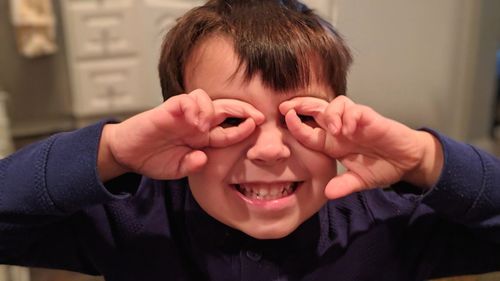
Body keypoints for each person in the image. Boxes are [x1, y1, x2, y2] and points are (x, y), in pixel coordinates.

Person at [1, 0, 500, 280]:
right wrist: (110, 152)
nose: (269, 150)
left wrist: (424, 158)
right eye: (229, 121)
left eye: (301, 116)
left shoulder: (387, 224)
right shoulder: (132, 221)